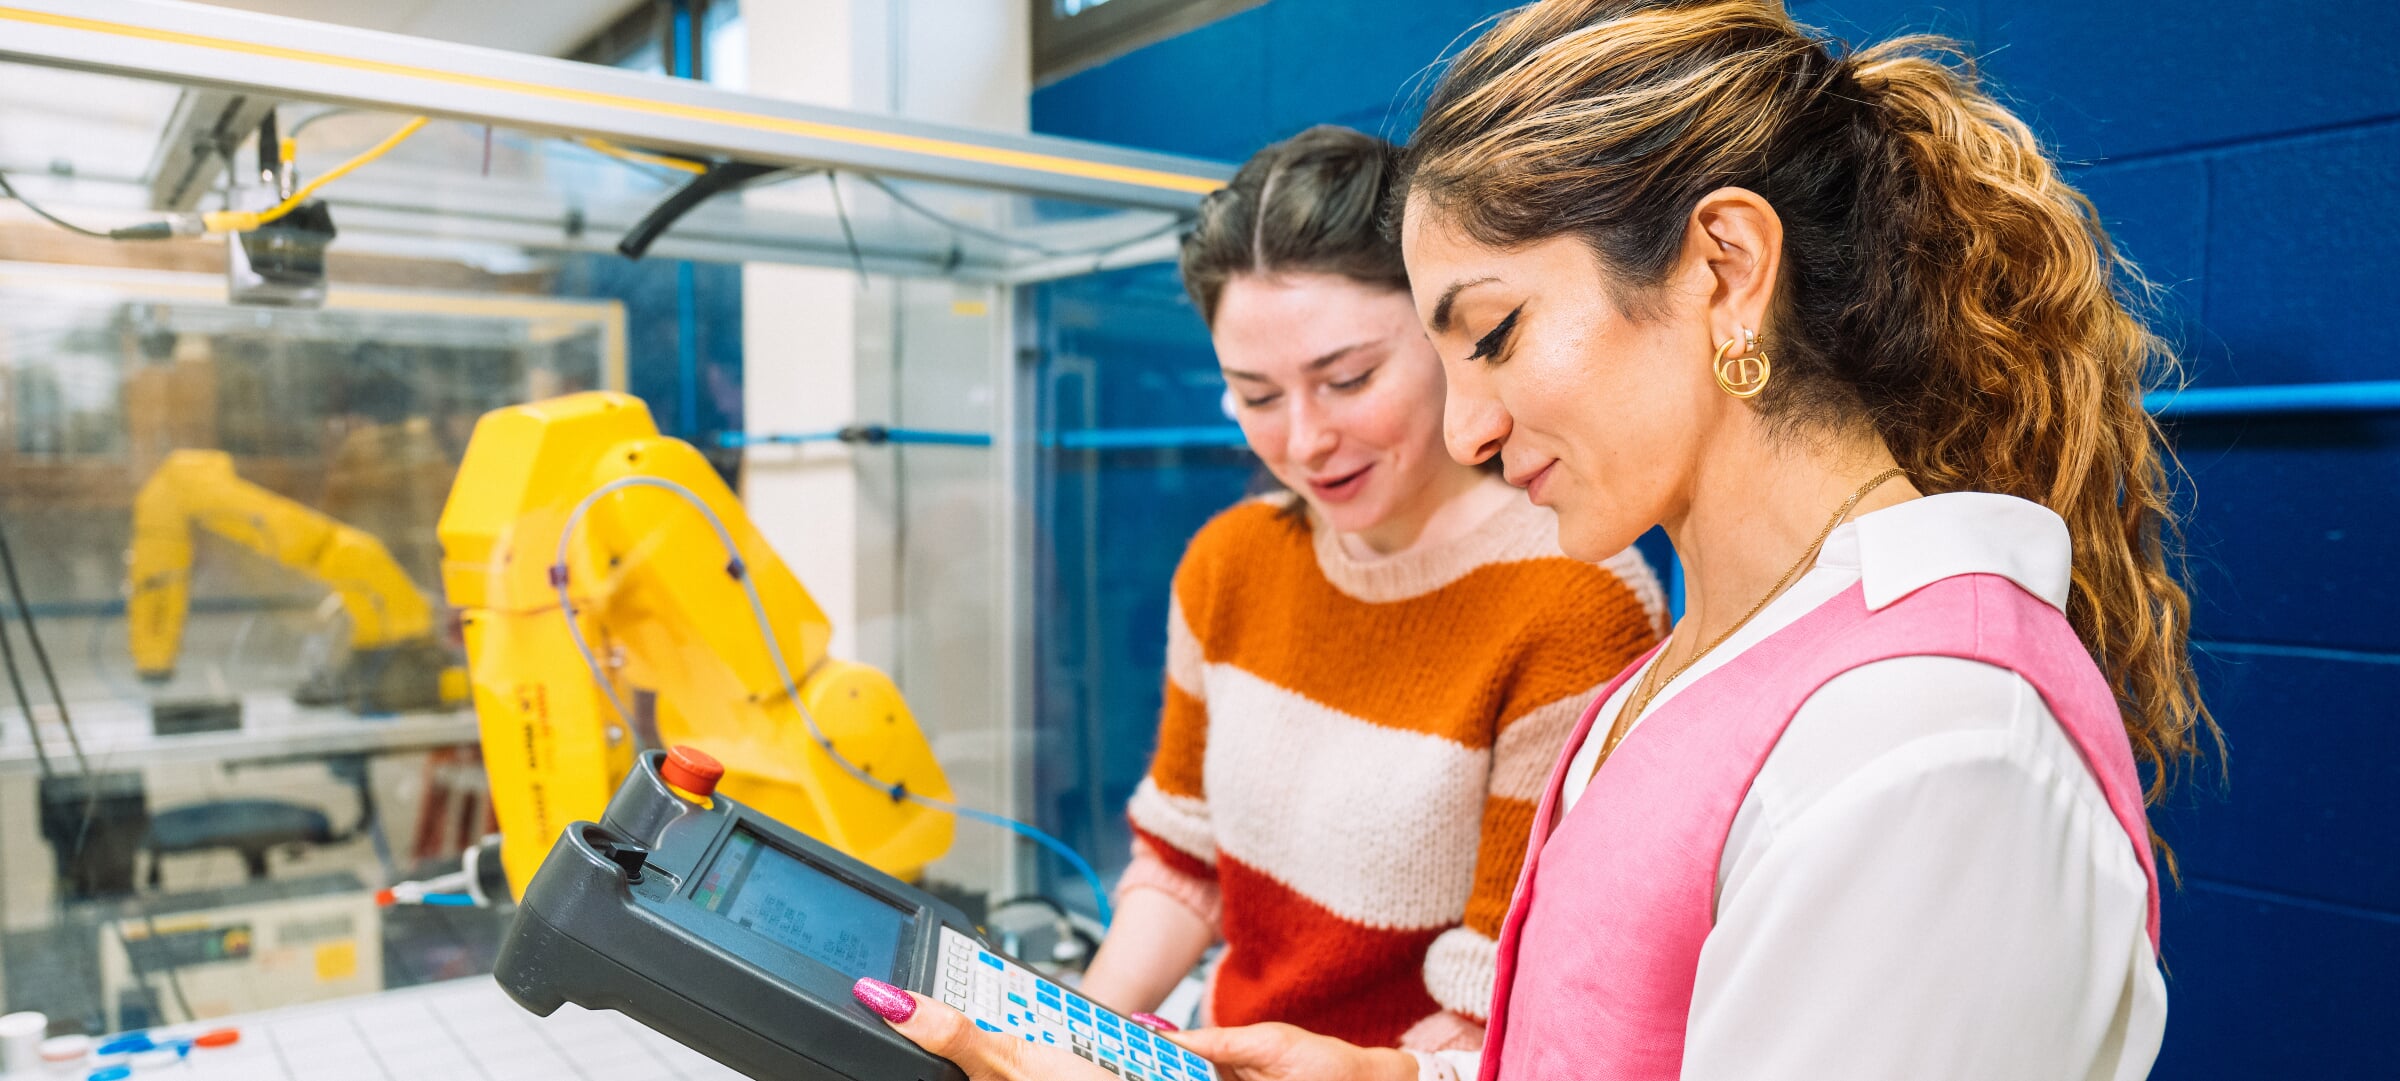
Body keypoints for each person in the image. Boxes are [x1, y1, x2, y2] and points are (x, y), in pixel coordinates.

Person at [852, 1, 2214, 1078]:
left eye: (1494, 336)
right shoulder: (1711, 661)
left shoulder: (1933, 747)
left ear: (1725, 269)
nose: (1470, 431)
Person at [1067, 124, 1665, 1053]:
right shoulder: (1230, 562)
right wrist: (1064, 1031)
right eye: (1256, 397)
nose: (1305, 441)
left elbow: (1492, 1012)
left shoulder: (1574, 600)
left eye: (1347, 379)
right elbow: (1183, 866)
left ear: (1448, 339)